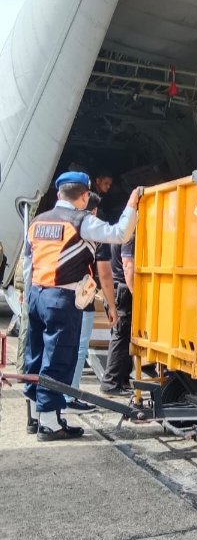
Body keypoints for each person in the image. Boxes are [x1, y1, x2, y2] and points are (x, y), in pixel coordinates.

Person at [23, 172, 139, 440]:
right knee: (58, 358)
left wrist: (29, 297)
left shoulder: (37, 222)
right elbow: (120, 233)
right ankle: (50, 423)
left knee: (36, 356)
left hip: (36, 296)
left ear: (58, 194)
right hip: (61, 301)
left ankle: (34, 415)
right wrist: (131, 203)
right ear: (85, 196)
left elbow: (29, 265)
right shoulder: (82, 220)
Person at [63, 193, 118, 412]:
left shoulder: (63, 226)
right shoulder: (93, 232)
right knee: (78, 349)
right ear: (92, 211)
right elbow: (104, 274)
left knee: (59, 348)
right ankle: (70, 396)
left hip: (56, 297)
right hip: (80, 300)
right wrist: (111, 306)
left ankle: (54, 396)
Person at [101, 234, 135, 395]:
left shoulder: (117, 233)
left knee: (122, 335)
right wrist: (136, 293)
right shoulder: (130, 235)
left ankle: (122, 379)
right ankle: (111, 383)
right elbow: (128, 266)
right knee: (121, 336)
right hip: (122, 289)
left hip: (114, 289)